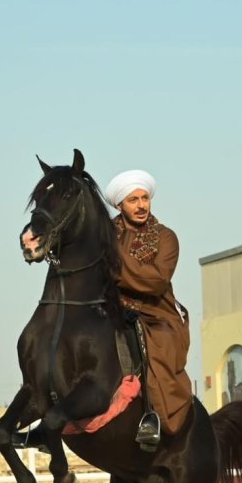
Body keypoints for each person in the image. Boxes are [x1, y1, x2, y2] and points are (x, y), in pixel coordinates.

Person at [104, 170, 193, 448]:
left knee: (161, 347)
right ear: (120, 205)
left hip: (155, 313)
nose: (141, 205)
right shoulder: (103, 235)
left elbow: (155, 280)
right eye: (133, 200)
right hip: (107, 307)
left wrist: (111, 258)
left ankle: (155, 417)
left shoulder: (166, 238)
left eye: (145, 198)